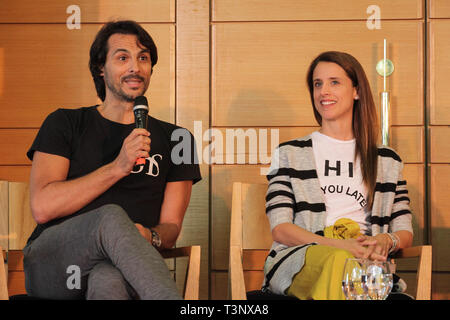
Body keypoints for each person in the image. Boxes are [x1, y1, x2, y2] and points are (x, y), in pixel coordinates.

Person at [23, 20, 201, 300]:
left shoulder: (180, 139)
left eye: (143, 58)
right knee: (110, 216)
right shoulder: (64, 122)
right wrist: (119, 167)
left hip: (121, 264)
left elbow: (171, 229)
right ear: (100, 67)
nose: (135, 67)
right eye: (122, 58)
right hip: (55, 264)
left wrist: (149, 236)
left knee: (109, 279)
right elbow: (43, 208)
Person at [262, 51, 413, 300]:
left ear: (357, 91)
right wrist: (344, 246)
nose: (323, 91)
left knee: (353, 269)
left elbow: (404, 232)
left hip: (368, 265)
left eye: (334, 82)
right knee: (341, 262)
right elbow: (281, 229)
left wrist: (386, 240)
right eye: (317, 84)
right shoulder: (289, 153)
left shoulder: (387, 160)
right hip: (301, 259)